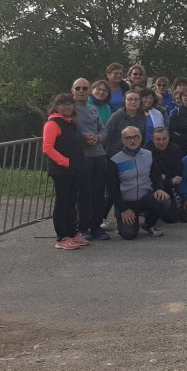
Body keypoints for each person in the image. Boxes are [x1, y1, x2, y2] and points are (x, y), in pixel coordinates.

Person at [42, 94, 90, 249]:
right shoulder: (52, 123)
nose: (67, 106)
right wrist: (66, 162)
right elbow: (47, 148)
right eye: (63, 103)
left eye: (70, 103)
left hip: (75, 170)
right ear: (56, 106)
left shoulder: (71, 123)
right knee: (63, 202)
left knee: (71, 202)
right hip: (61, 170)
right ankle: (62, 237)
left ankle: (72, 233)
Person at [108, 126, 170, 238]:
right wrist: (124, 209)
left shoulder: (149, 155)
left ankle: (149, 224)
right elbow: (112, 188)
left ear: (141, 138)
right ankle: (121, 221)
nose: (132, 140)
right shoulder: (115, 160)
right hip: (126, 202)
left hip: (144, 198)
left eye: (136, 137)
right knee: (129, 235)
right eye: (128, 138)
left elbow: (156, 175)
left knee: (164, 200)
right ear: (122, 140)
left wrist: (159, 189)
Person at [71, 78, 110, 240]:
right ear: (72, 90)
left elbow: (104, 130)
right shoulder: (69, 109)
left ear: (89, 91)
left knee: (98, 193)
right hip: (82, 156)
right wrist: (83, 137)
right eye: (78, 88)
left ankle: (96, 227)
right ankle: (82, 227)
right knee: (84, 194)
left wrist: (98, 138)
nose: (81, 91)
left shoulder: (93, 109)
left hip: (99, 155)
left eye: (84, 88)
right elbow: (67, 131)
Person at [149, 127, 183, 224]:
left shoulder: (175, 149)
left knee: (172, 218)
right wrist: (169, 179)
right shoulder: (147, 152)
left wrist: (164, 177)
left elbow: (178, 171)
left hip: (168, 186)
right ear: (153, 139)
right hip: (152, 188)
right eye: (158, 139)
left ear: (169, 138)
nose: (161, 142)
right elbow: (151, 178)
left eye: (164, 139)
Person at [103, 90, 145, 157]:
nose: (133, 102)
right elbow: (106, 136)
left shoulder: (142, 115)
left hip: (135, 154)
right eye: (129, 99)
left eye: (136, 99)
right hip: (116, 155)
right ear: (125, 101)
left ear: (140, 101)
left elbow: (143, 136)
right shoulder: (116, 116)